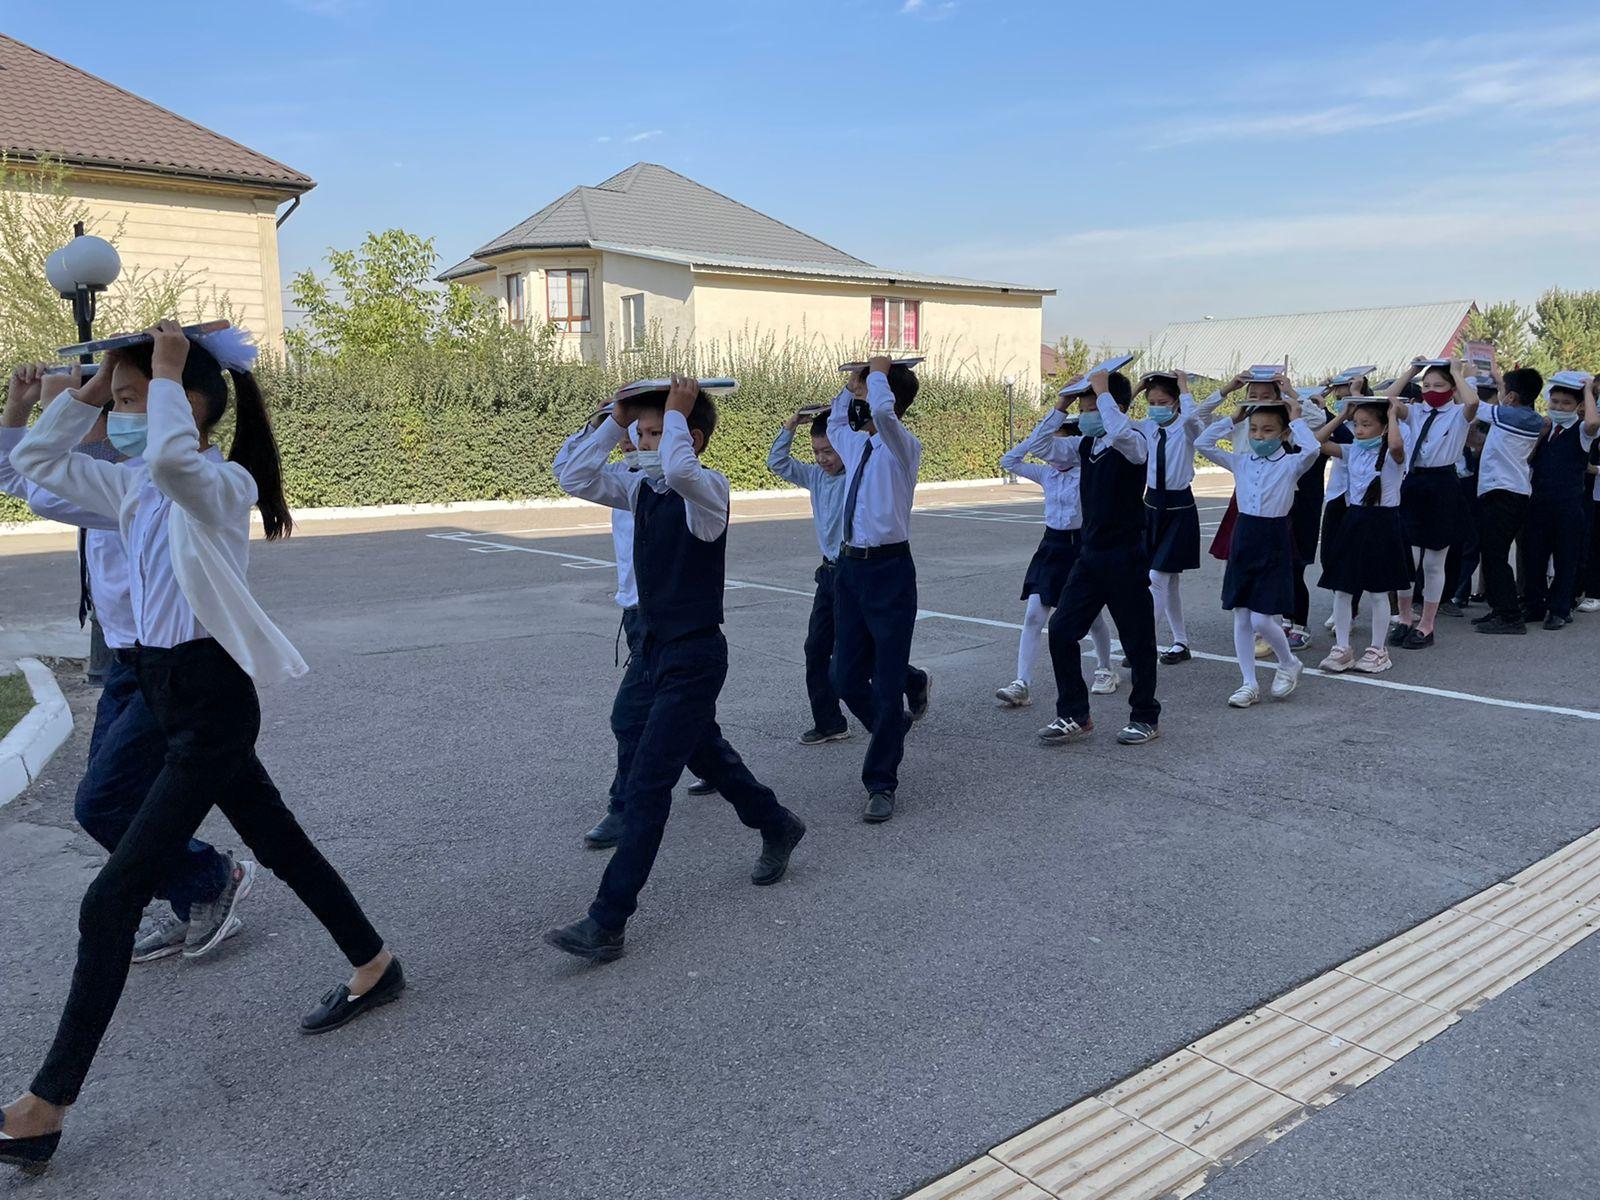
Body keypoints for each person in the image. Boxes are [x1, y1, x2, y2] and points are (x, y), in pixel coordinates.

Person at [4, 322, 399, 1175]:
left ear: (191, 406)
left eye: (134, 398)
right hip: (160, 692)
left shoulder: (220, 482)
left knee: (110, 901)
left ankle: (45, 1106)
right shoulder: (129, 489)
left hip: (211, 701)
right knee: (280, 841)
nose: (120, 410)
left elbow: (178, 464)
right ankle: (376, 962)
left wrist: (167, 370)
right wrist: (86, 392)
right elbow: (33, 465)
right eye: (115, 399)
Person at [547, 376, 805, 961]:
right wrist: (614, 421)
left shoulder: (708, 490)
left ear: (692, 438)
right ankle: (774, 821)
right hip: (653, 651)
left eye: (655, 434)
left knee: (648, 784)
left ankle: (607, 921)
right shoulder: (640, 488)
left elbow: (682, 471)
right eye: (640, 434)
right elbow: (574, 476)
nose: (643, 444)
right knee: (691, 745)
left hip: (694, 656)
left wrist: (680, 413)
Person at [2, 364, 250, 963]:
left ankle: (207, 880)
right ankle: (199, 886)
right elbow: (18, 469)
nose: (108, 414)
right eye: (108, 403)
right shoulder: (115, 482)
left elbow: (39, 462)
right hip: (130, 665)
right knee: (131, 802)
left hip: (170, 668)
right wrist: (21, 406)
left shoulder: (145, 484)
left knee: (106, 803)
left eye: (121, 401)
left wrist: (84, 397)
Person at [826, 358, 932, 823]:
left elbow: (885, 413)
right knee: (844, 677)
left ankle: (881, 782)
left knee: (886, 685)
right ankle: (893, 727)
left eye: (864, 395)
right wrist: (850, 385)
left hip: (890, 571)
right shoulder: (857, 444)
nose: (858, 403)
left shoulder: (902, 446)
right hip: (851, 568)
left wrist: (878, 374)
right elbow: (834, 423)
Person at [1038, 368, 1161, 746]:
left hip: (1126, 556)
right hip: (1089, 556)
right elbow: (1040, 446)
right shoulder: (1084, 446)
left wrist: (1104, 392)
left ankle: (1145, 716)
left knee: (1138, 641)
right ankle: (1074, 713)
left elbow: (1120, 433)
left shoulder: (1134, 441)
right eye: (1084, 409)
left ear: (1117, 407)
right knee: (1061, 631)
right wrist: (1062, 404)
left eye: (1093, 408)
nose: (1086, 415)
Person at [1195, 371, 1323, 707]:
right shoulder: (1241, 462)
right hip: (1244, 537)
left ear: (1283, 433)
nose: (1258, 435)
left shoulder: (1291, 464)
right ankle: (1248, 682)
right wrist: (1234, 418)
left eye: (1267, 430)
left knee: (1262, 618)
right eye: (1254, 429)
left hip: (1273, 538)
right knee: (1241, 614)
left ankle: (1289, 662)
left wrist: (1296, 419)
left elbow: (1312, 449)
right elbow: (1202, 444)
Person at [994, 406, 1116, 707]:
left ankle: (1105, 668)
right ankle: (1022, 683)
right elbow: (1009, 460)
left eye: (1058, 446)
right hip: (1051, 546)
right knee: (1034, 615)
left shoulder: (1088, 472)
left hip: (1081, 547)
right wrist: (1041, 434)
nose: (1052, 453)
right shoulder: (1046, 473)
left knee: (1093, 617)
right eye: (1049, 447)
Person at [1315, 395, 1414, 672]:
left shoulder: (1393, 455)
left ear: (1383, 427)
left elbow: (1396, 445)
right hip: (1354, 520)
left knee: (1378, 591)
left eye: (1366, 424)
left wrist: (1392, 414)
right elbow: (1317, 443)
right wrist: (1341, 415)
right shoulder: (1353, 450)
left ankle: (1378, 651)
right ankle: (1342, 648)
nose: (1358, 430)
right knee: (1343, 589)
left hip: (1382, 523)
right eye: (1356, 424)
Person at [1390, 358, 1481, 649]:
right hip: (1414, 483)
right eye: (1426, 385)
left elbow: (1473, 402)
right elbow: (1387, 400)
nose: (1431, 390)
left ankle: (1427, 624)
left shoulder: (1457, 413)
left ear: (1452, 388)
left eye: (1439, 385)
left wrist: (1455, 371)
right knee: (1407, 559)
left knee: (1433, 561)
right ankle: (1405, 618)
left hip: (1443, 484)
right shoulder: (1416, 410)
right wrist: (1412, 371)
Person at [1132, 369, 1221, 664]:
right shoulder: (1147, 427)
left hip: (1179, 507)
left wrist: (1184, 387)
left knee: (1157, 577)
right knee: (1167, 581)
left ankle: (1142, 644)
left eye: (1163, 402)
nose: (1156, 408)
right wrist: (1137, 387)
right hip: (1151, 505)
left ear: (1176, 403)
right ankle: (1181, 642)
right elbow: (1115, 422)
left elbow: (1196, 421)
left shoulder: (1186, 426)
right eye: (1152, 402)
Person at [1520, 372, 1599, 629]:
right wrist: (1540, 436)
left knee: (1566, 558)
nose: (1559, 407)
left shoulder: (1581, 431)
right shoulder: (1545, 429)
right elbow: (1528, 460)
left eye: (1566, 403)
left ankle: (1559, 608)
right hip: (1538, 502)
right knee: (1534, 556)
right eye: (1555, 402)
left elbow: (1593, 423)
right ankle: (1534, 604)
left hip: (1568, 504)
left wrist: (1588, 391)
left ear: (1577, 406)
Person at [1473, 365, 1547, 634]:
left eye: (1503, 391)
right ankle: (1499, 608)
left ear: (1512, 397)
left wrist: (1459, 373)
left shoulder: (1512, 416)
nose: (1500, 395)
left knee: (1495, 555)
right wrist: (1497, 376)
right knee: (1493, 553)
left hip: (1505, 493)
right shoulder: (1528, 417)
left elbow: (1472, 403)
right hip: (1506, 491)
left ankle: (1510, 617)